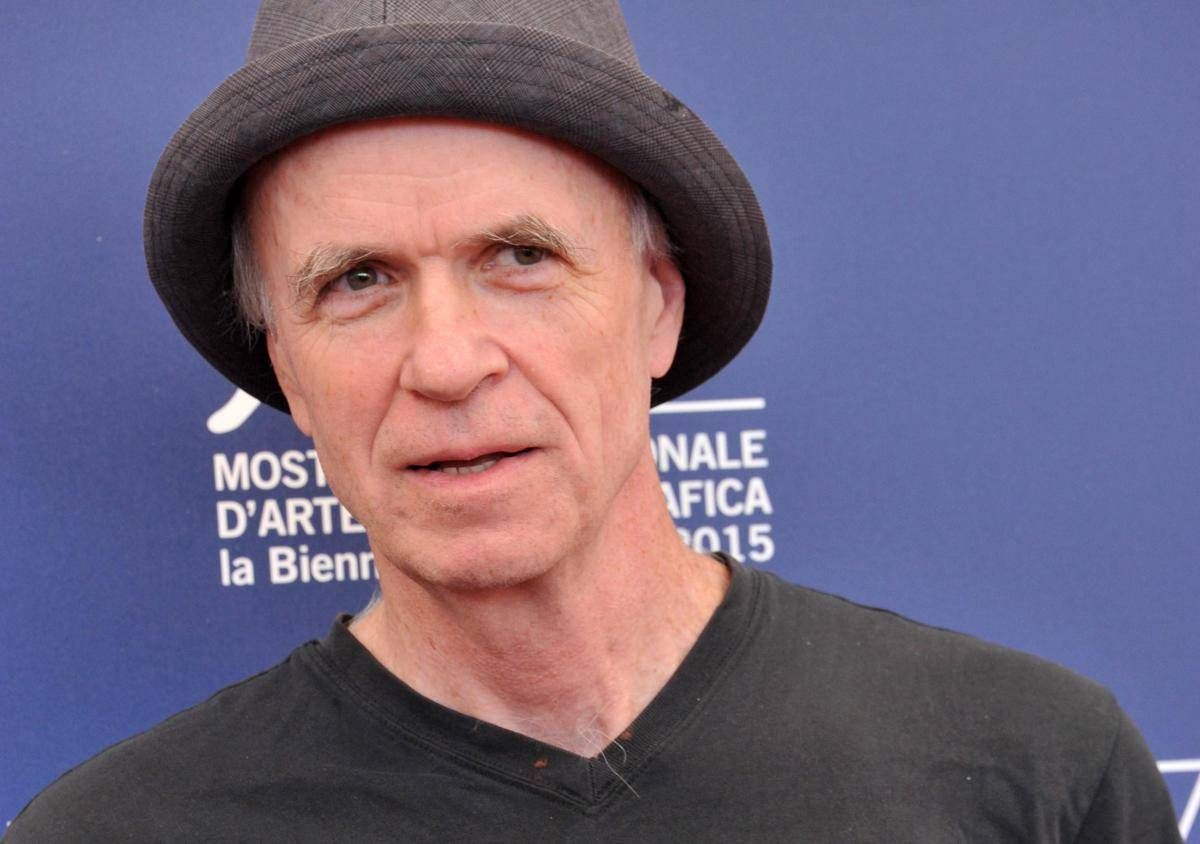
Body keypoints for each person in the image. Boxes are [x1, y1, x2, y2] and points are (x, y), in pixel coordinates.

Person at [6, 1, 1181, 841]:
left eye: (520, 257)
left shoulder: (1031, 770)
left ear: (657, 307)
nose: (447, 362)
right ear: (288, 372)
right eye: (357, 281)